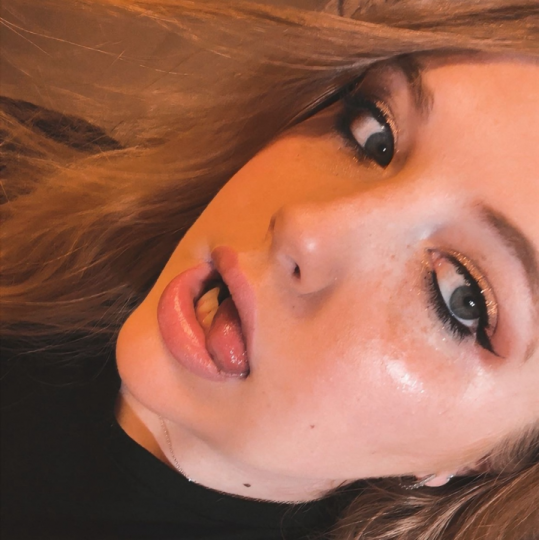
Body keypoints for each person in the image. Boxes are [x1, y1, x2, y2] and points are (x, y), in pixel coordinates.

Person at [1, 0, 538, 539]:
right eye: (374, 136)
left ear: (486, 458)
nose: (304, 226)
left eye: (461, 297)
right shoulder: (26, 172)